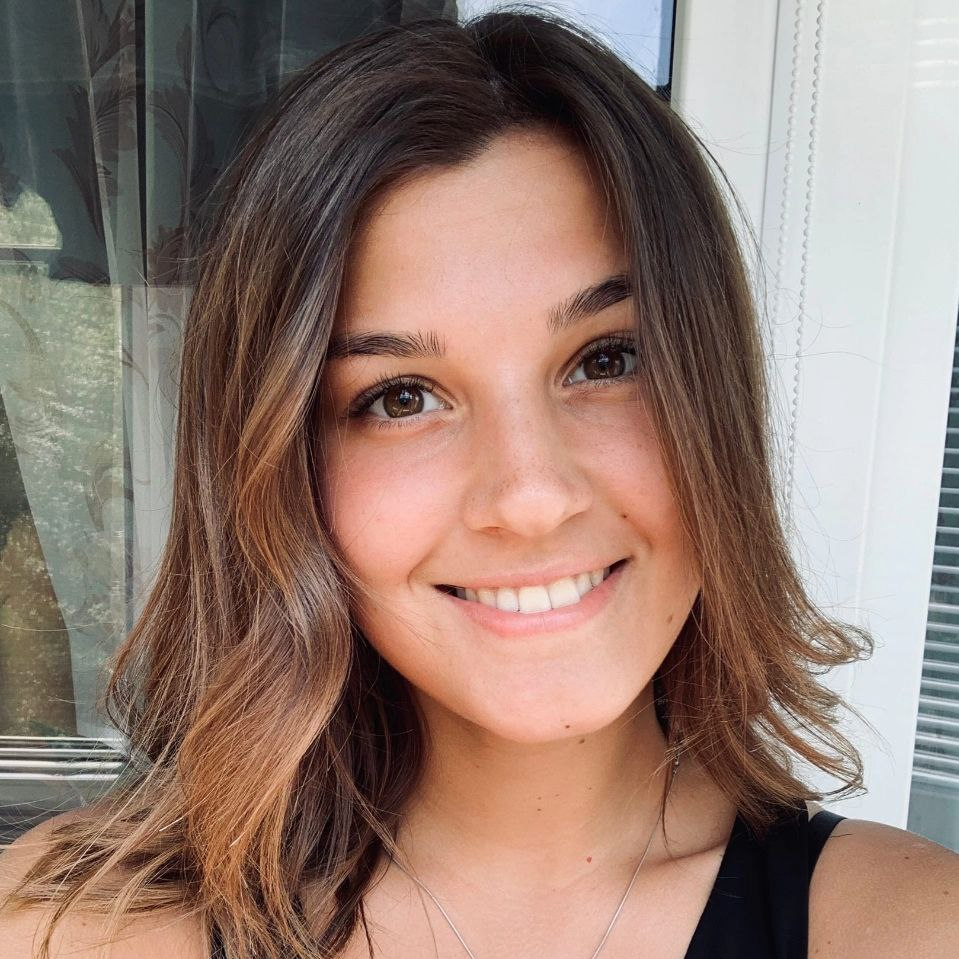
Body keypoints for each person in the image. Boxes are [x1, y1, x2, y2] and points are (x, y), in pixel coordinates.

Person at [2, 7, 958, 958]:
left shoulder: (907, 925)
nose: (531, 497)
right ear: (279, 469)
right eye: (401, 397)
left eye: (606, 360)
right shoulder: (71, 926)